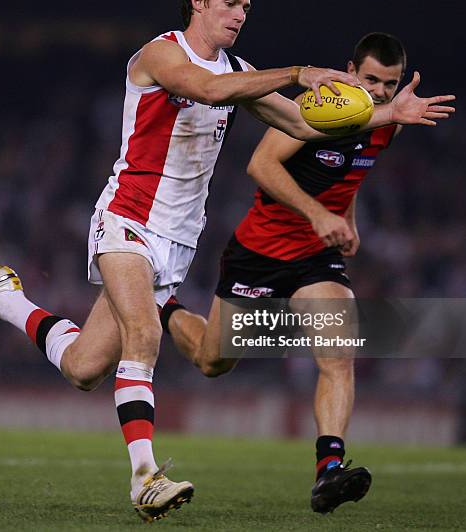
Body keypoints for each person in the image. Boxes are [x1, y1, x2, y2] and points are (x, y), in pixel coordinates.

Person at [0, 0, 455, 523]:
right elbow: (207, 89)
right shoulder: (160, 54)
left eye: (246, 7)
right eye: (230, 3)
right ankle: (146, 478)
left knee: (85, 367)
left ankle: (4, 298)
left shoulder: (240, 72)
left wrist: (386, 113)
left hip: (176, 242)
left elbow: (304, 126)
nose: (240, 15)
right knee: (144, 333)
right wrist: (298, 72)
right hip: (126, 218)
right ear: (198, 1)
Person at [161, 32, 441, 514]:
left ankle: (328, 469)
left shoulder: (389, 123)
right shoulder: (318, 106)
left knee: (338, 349)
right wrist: (317, 213)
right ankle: (161, 304)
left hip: (315, 258)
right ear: (350, 70)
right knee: (213, 362)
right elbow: (261, 165)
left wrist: (345, 218)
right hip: (260, 252)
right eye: (370, 79)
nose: (378, 92)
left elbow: (351, 173)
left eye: (388, 85)